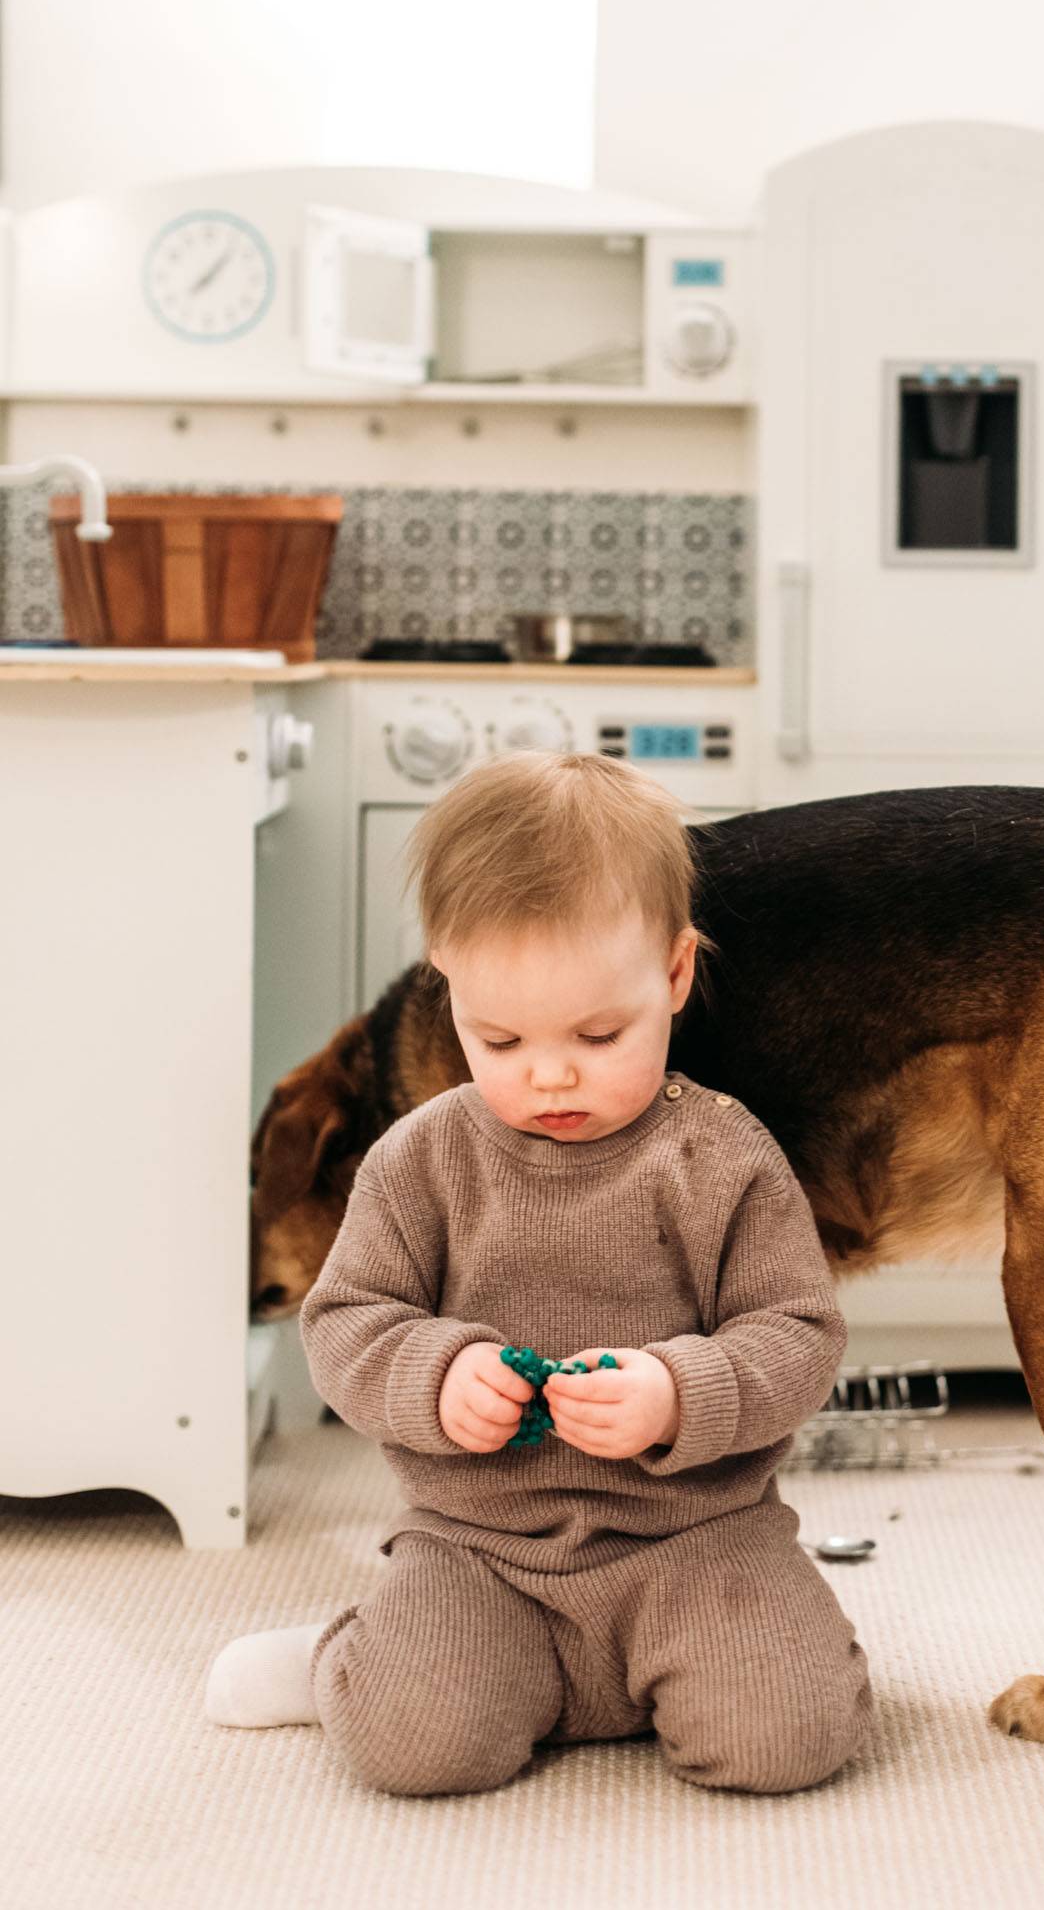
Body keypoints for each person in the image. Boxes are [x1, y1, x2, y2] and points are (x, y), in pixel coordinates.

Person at [205, 750, 872, 1798]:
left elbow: (797, 1336)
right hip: (480, 1550)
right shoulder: (420, 1160)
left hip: (699, 1536)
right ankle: (348, 1649)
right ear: (448, 985)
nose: (550, 1072)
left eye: (598, 1034)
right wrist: (433, 1373)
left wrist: (676, 1393)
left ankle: (662, 1673)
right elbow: (343, 1323)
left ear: (676, 975)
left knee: (788, 1737)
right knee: (414, 1744)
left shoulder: (726, 1156)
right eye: (500, 1036)